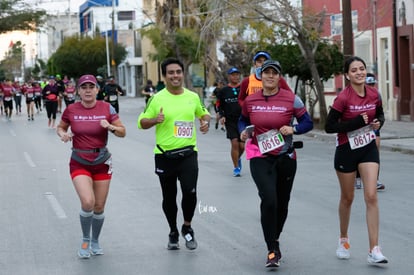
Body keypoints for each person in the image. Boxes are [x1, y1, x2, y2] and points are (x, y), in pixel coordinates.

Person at [238, 60, 313, 268]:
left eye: (274, 73)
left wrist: (294, 130)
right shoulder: (251, 101)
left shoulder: (291, 99)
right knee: (269, 200)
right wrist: (243, 131)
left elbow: (308, 122)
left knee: (282, 203)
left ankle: (275, 238)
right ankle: (271, 249)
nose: (270, 76)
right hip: (260, 156)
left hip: (286, 157)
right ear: (260, 76)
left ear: (279, 77)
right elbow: (242, 120)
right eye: (266, 72)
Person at [137, 57, 210, 251]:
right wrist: (155, 120)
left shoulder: (192, 97)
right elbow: (141, 122)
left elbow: (203, 113)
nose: (175, 76)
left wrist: (205, 122)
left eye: (178, 72)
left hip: (188, 154)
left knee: (190, 192)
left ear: (182, 74)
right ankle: (172, 231)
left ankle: (187, 226)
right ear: (164, 76)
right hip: (164, 155)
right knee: (169, 197)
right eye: (171, 73)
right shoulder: (156, 98)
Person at [325, 56, 388, 264]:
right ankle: (343, 239)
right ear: (347, 75)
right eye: (354, 70)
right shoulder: (343, 98)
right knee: (348, 198)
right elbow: (330, 126)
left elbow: (379, 114)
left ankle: (374, 249)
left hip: (368, 147)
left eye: (362, 68)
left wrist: (379, 123)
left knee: (371, 196)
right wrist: (354, 123)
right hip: (346, 149)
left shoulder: (373, 94)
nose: (359, 72)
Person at [56, 74, 126, 259]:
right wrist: (63, 134)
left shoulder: (107, 107)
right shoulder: (71, 109)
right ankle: (85, 239)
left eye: (91, 87)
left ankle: (95, 240)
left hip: (102, 161)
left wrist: (110, 126)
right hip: (79, 160)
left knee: (99, 206)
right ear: (78, 91)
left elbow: (122, 132)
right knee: (88, 202)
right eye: (84, 87)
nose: (87, 90)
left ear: (97, 89)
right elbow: (60, 127)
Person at [355, 73, 385, 190]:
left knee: (375, 151)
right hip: (359, 128)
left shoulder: (376, 95)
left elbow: (380, 113)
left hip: (373, 127)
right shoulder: (356, 95)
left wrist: (379, 123)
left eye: (372, 84)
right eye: (369, 84)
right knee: (359, 152)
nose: (371, 87)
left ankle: (375, 180)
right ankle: (357, 178)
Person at [216, 67, 245, 176]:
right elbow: (218, 105)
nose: (235, 77)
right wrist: (222, 115)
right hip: (230, 121)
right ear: (229, 76)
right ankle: (236, 167)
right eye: (233, 75)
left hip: (243, 120)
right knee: (234, 144)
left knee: (242, 146)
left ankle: (237, 158)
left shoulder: (244, 88)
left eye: (237, 74)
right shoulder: (223, 91)